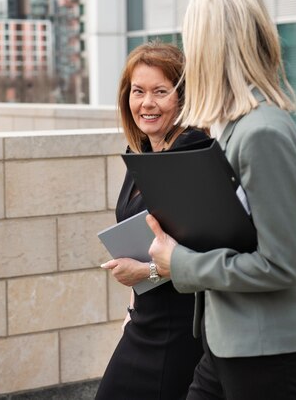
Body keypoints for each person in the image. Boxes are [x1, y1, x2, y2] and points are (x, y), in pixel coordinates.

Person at [145, 0, 296, 399]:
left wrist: (180, 263)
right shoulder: (231, 128)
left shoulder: (263, 132)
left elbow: (283, 265)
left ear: (209, 46)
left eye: (192, 41)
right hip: (227, 344)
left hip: (269, 355)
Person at [95, 41, 207, 400]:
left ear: (183, 98)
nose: (146, 103)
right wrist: (132, 310)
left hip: (178, 331)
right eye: (138, 91)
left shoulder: (191, 154)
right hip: (145, 321)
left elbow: (208, 253)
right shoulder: (142, 153)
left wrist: (144, 273)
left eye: (161, 92)